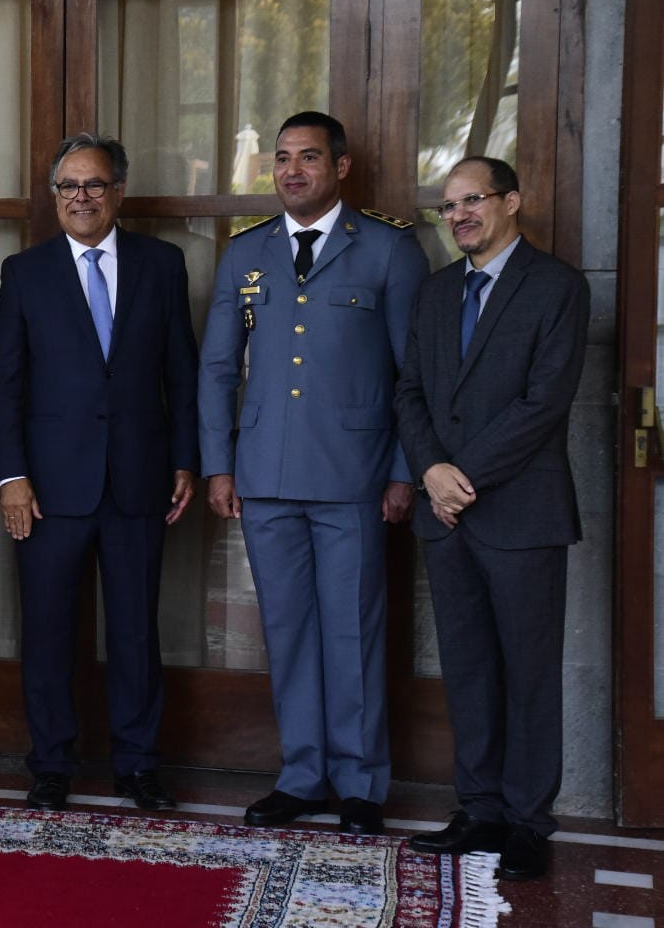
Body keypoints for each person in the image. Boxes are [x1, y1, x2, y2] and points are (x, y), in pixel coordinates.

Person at [198, 111, 428, 836]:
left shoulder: (389, 249)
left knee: (353, 632)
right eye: (282, 158)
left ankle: (360, 783)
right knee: (288, 630)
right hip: (264, 475)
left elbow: (414, 376)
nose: (292, 171)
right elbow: (216, 369)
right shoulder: (247, 252)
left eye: (308, 157)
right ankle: (301, 776)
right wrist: (218, 465)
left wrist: (403, 471)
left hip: (353, 476)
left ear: (341, 166)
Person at [0, 133, 199, 812]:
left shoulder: (162, 265)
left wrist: (185, 458)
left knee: (135, 631)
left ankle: (138, 764)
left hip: (139, 479)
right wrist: (11, 477)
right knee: (49, 630)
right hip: (48, 490)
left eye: (94, 184)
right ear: (55, 196)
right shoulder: (25, 272)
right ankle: (51, 763)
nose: (81, 197)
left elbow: (182, 374)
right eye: (69, 186)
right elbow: (6, 386)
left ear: (118, 192)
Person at [393, 157, 588, 881]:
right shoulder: (437, 291)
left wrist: (459, 476)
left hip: (521, 513)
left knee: (529, 673)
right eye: (449, 206)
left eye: (472, 200)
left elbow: (544, 402)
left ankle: (529, 822)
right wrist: (430, 471)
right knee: (469, 668)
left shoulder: (558, 287)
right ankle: (479, 810)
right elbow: (409, 391)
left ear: (512, 201)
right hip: (446, 516)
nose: (459, 216)